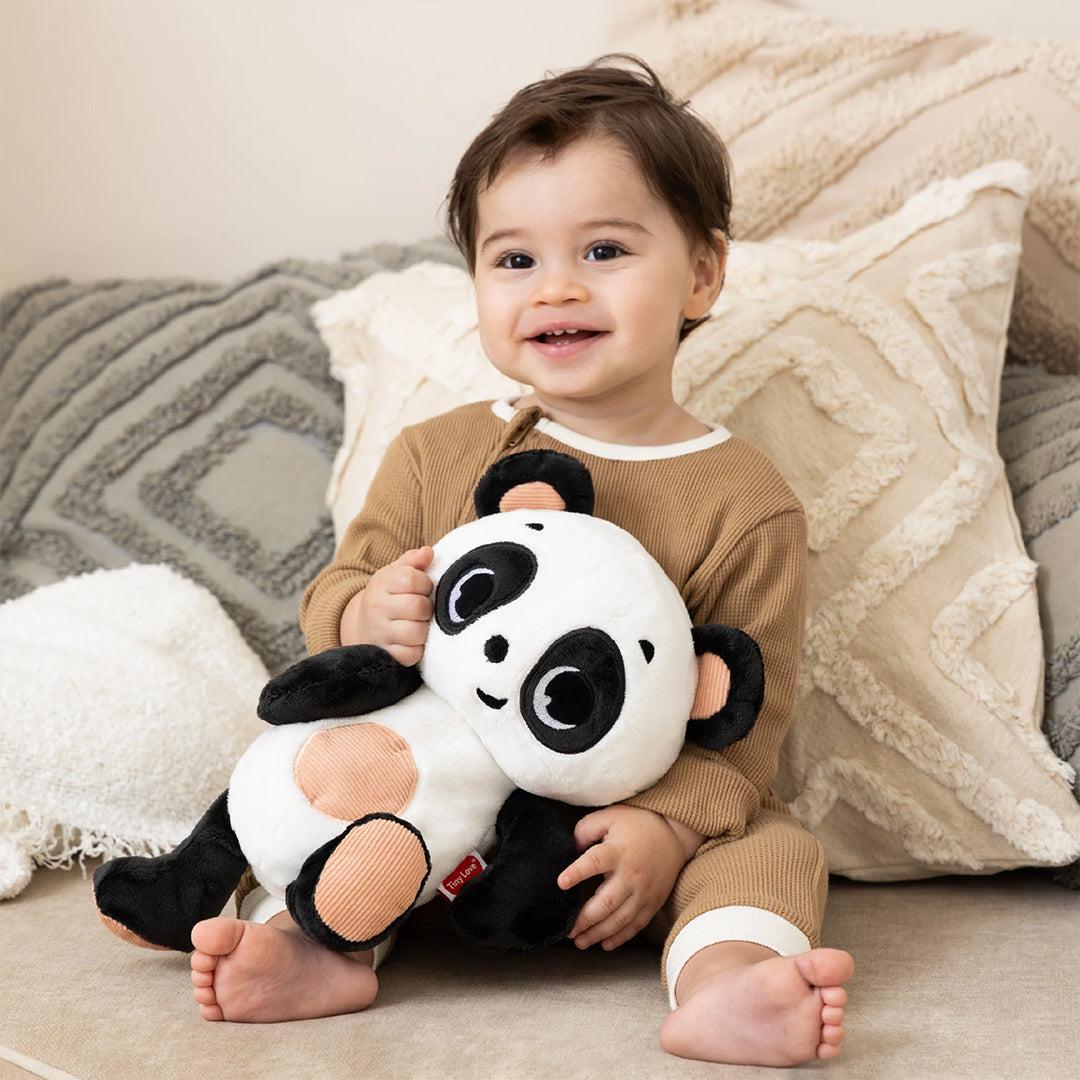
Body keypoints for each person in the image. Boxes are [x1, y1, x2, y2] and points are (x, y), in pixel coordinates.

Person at [188, 53, 853, 1066]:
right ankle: (316, 947)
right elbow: (336, 595)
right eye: (513, 261)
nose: (557, 288)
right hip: (432, 799)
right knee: (325, 792)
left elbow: (744, 730)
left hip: (603, 840)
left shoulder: (744, 502)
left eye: (605, 249)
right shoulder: (438, 452)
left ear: (702, 272)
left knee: (774, 848)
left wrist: (666, 832)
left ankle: (724, 981)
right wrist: (369, 613)